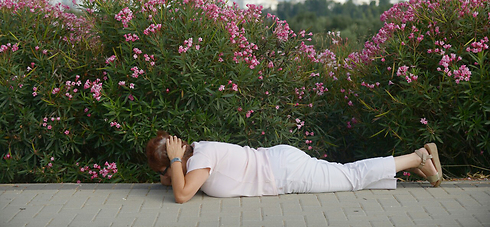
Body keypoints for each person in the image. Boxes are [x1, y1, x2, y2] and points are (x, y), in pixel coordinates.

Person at [146, 131, 443, 204]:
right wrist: (173, 163)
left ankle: (417, 157)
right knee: (348, 177)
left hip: (285, 172)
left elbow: (181, 196)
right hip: (279, 166)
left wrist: (172, 160)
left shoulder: (199, 160)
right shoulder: (196, 155)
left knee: (350, 177)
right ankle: (409, 167)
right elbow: (171, 182)